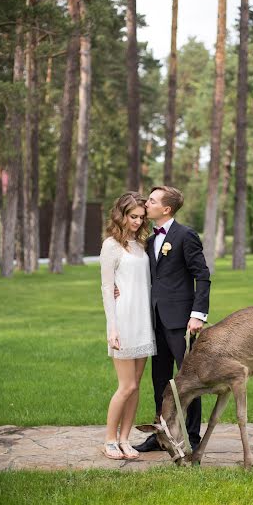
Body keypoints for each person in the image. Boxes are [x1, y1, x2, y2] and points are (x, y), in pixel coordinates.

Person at [134, 185, 211, 452]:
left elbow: (202, 276)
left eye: (152, 201)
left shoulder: (186, 235)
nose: (147, 204)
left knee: (188, 379)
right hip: (153, 320)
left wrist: (197, 315)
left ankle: (191, 436)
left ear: (166, 209)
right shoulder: (149, 239)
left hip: (182, 321)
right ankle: (161, 434)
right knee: (160, 379)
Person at [100, 192, 156, 460]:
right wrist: (112, 328)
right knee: (126, 386)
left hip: (143, 320)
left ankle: (125, 439)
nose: (137, 221)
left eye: (141, 217)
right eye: (132, 216)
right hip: (123, 320)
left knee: (136, 385)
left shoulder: (141, 244)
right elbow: (107, 288)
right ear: (121, 215)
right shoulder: (111, 245)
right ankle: (109, 439)